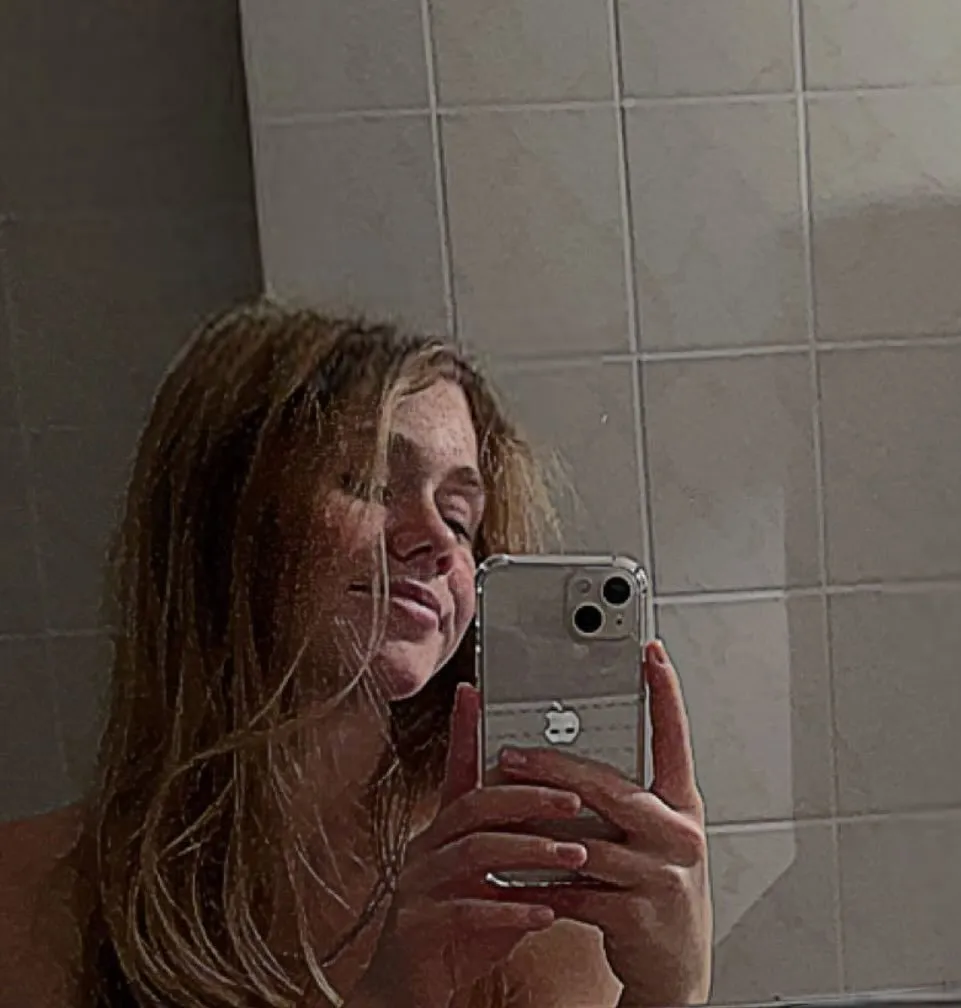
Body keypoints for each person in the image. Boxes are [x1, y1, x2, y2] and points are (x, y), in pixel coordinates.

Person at [12, 302, 712, 1007]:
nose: (437, 542)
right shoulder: (32, 898)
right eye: (372, 483)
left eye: (460, 518)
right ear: (222, 514)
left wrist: (667, 992)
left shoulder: (518, 876)